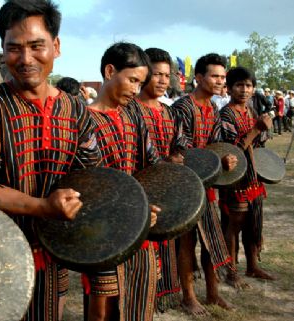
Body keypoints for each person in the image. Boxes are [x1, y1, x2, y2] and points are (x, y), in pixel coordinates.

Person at [0, 1, 100, 321]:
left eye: (36, 46)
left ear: (55, 47)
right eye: (14, 48)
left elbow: (90, 177)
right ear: (2, 49)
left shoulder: (76, 111)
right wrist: (43, 206)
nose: (26, 59)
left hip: (55, 254)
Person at [83, 42, 161, 321]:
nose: (136, 90)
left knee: (138, 298)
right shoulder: (83, 120)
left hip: (137, 223)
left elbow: (150, 165)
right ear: (109, 71)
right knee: (101, 305)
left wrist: (147, 205)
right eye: (132, 80)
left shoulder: (133, 116)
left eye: (140, 83)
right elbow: (87, 182)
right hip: (100, 228)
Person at [170, 53, 237, 316]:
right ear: (199, 78)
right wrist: (211, 158)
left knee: (211, 238)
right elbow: (179, 147)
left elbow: (216, 145)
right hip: (185, 184)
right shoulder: (182, 108)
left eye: (223, 76)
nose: (221, 81)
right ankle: (188, 296)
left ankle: (213, 293)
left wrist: (226, 158)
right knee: (187, 242)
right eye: (215, 76)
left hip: (207, 185)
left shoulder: (213, 109)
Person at [128, 47, 186, 312]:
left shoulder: (169, 112)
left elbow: (181, 145)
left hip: (166, 188)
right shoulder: (130, 110)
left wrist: (178, 157)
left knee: (167, 245)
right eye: (157, 74)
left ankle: (160, 298)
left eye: (166, 75)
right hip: (138, 190)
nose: (163, 80)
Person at [218, 67, 274, 288]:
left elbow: (260, 144)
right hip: (235, 178)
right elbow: (233, 151)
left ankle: (252, 265)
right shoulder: (225, 114)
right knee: (235, 224)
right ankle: (231, 271)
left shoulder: (251, 111)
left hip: (254, 176)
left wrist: (264, 129)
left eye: (248, 85)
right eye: (239, 85)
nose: (244, 90)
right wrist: (255, 130)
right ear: (229, 88)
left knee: (253, 221)